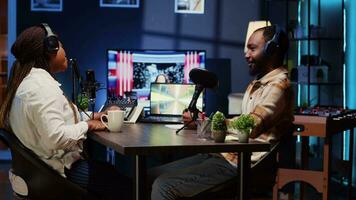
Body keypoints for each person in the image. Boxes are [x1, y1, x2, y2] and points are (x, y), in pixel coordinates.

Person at [149, 25, 294, 200]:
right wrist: (202, 122)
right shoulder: (259, 83)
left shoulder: (278, 86)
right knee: (150, 175)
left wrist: (207, 123)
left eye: (252, 48)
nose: (246, 54)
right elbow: (245, 119)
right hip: (227, 155)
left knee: (163, 186)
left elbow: (251, 126)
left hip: (241, 163)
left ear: (272, 50)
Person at [0, 24, 131, 200]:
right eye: (61, 45)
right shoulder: (42, 88)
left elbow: (59, 116)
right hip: (58, 173)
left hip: (41, 172)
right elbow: (56, 137)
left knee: (107, 171)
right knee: (130, 187)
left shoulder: (30, 82)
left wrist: (94, 116)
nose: (65, 49)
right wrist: (87, 125)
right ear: (50, 48)